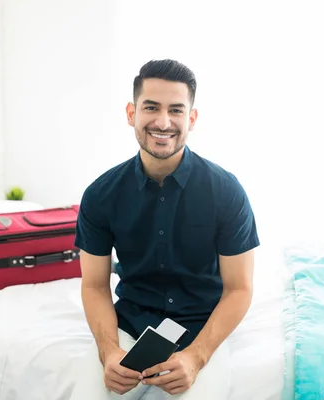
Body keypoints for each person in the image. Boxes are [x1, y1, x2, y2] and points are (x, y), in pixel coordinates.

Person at [69, 59, 259, 399]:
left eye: (176, 110)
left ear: (192, 118)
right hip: (129, 324)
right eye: (151, 108)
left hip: (201, 330)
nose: (163, 121)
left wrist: (196, 358)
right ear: (131, 114)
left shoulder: (226, 191)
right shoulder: (100, 195)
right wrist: (108, 351)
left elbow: (239, 289)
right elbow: (95, 285)